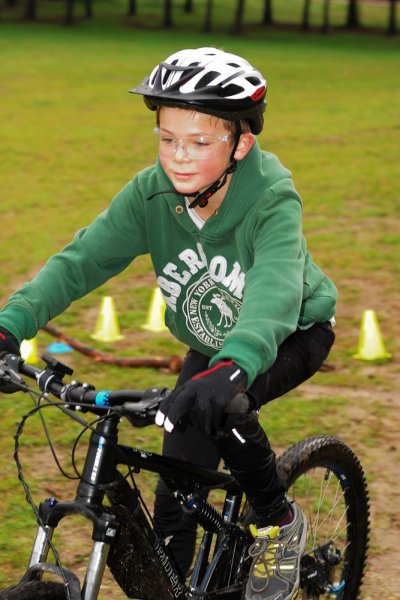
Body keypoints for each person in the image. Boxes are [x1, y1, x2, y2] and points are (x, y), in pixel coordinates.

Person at [0, 47, 337, 600]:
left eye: (200, 142)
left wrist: (236, 365)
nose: (178, 156)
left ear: (241, 144)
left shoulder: (271, 198)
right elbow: (83, 260)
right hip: (211, 346)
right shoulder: (152, 193)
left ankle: (279, 523)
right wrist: (11, 323)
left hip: (286, 335)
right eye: (167, 138)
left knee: (225, 407)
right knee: (174, 495)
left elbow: (276, 288)